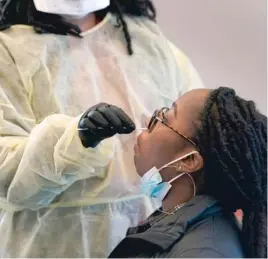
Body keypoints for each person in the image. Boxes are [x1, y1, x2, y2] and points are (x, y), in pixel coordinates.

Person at [0, 0, 204, 258]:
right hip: (50, 242)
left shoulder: (147, 41)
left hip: (152, 232)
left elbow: (200, 134)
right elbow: (5, 172)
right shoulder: (9, 51)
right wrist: (73, 141)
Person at [106, 87, 266, 258]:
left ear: (188, 161)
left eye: (165, 119)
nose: (148, 121)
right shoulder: (176, 218)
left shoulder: (201, 253)